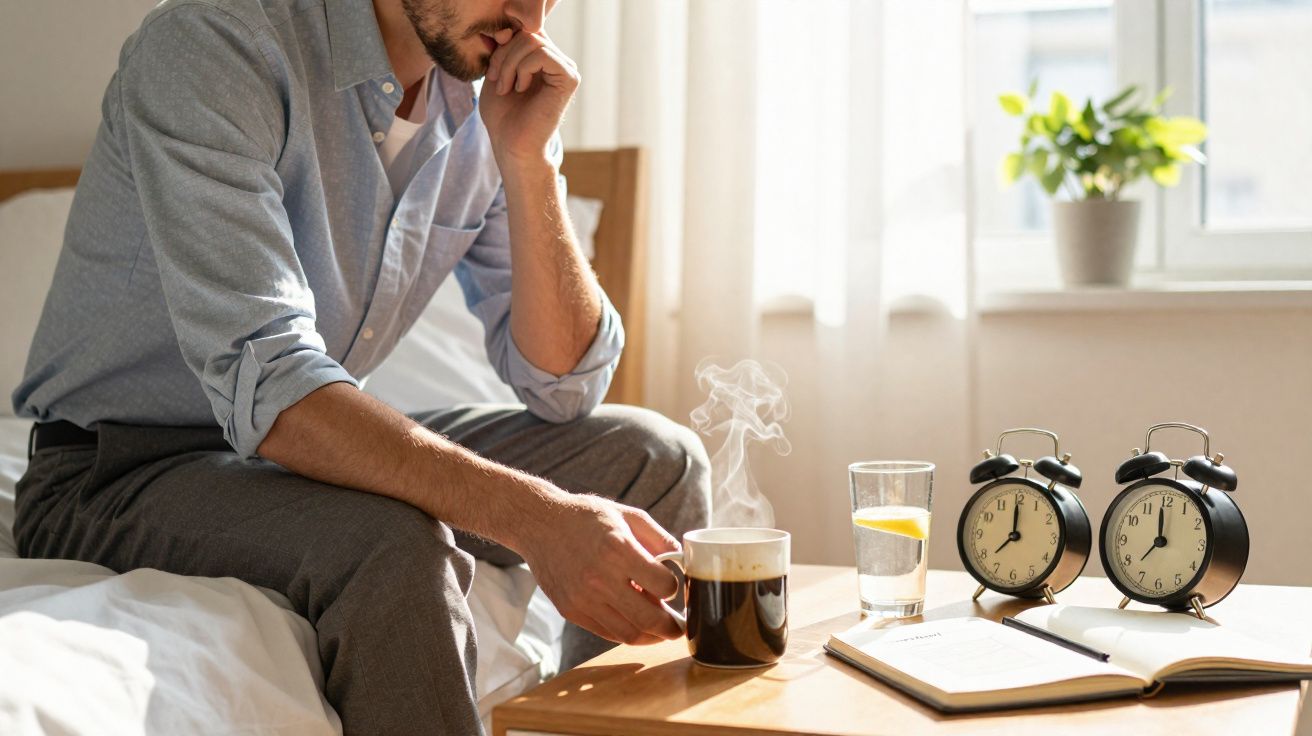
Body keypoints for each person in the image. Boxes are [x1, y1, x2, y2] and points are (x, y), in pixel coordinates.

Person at [10, 0, 710, 731]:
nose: (526, 14)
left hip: (298, 463)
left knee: (654, 459)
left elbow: (565, 386)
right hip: (116, 471)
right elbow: (277, 388)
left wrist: (528, 163)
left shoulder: (487, 98)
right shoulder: (214, 46)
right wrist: (539, 520)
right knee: (394, 545)